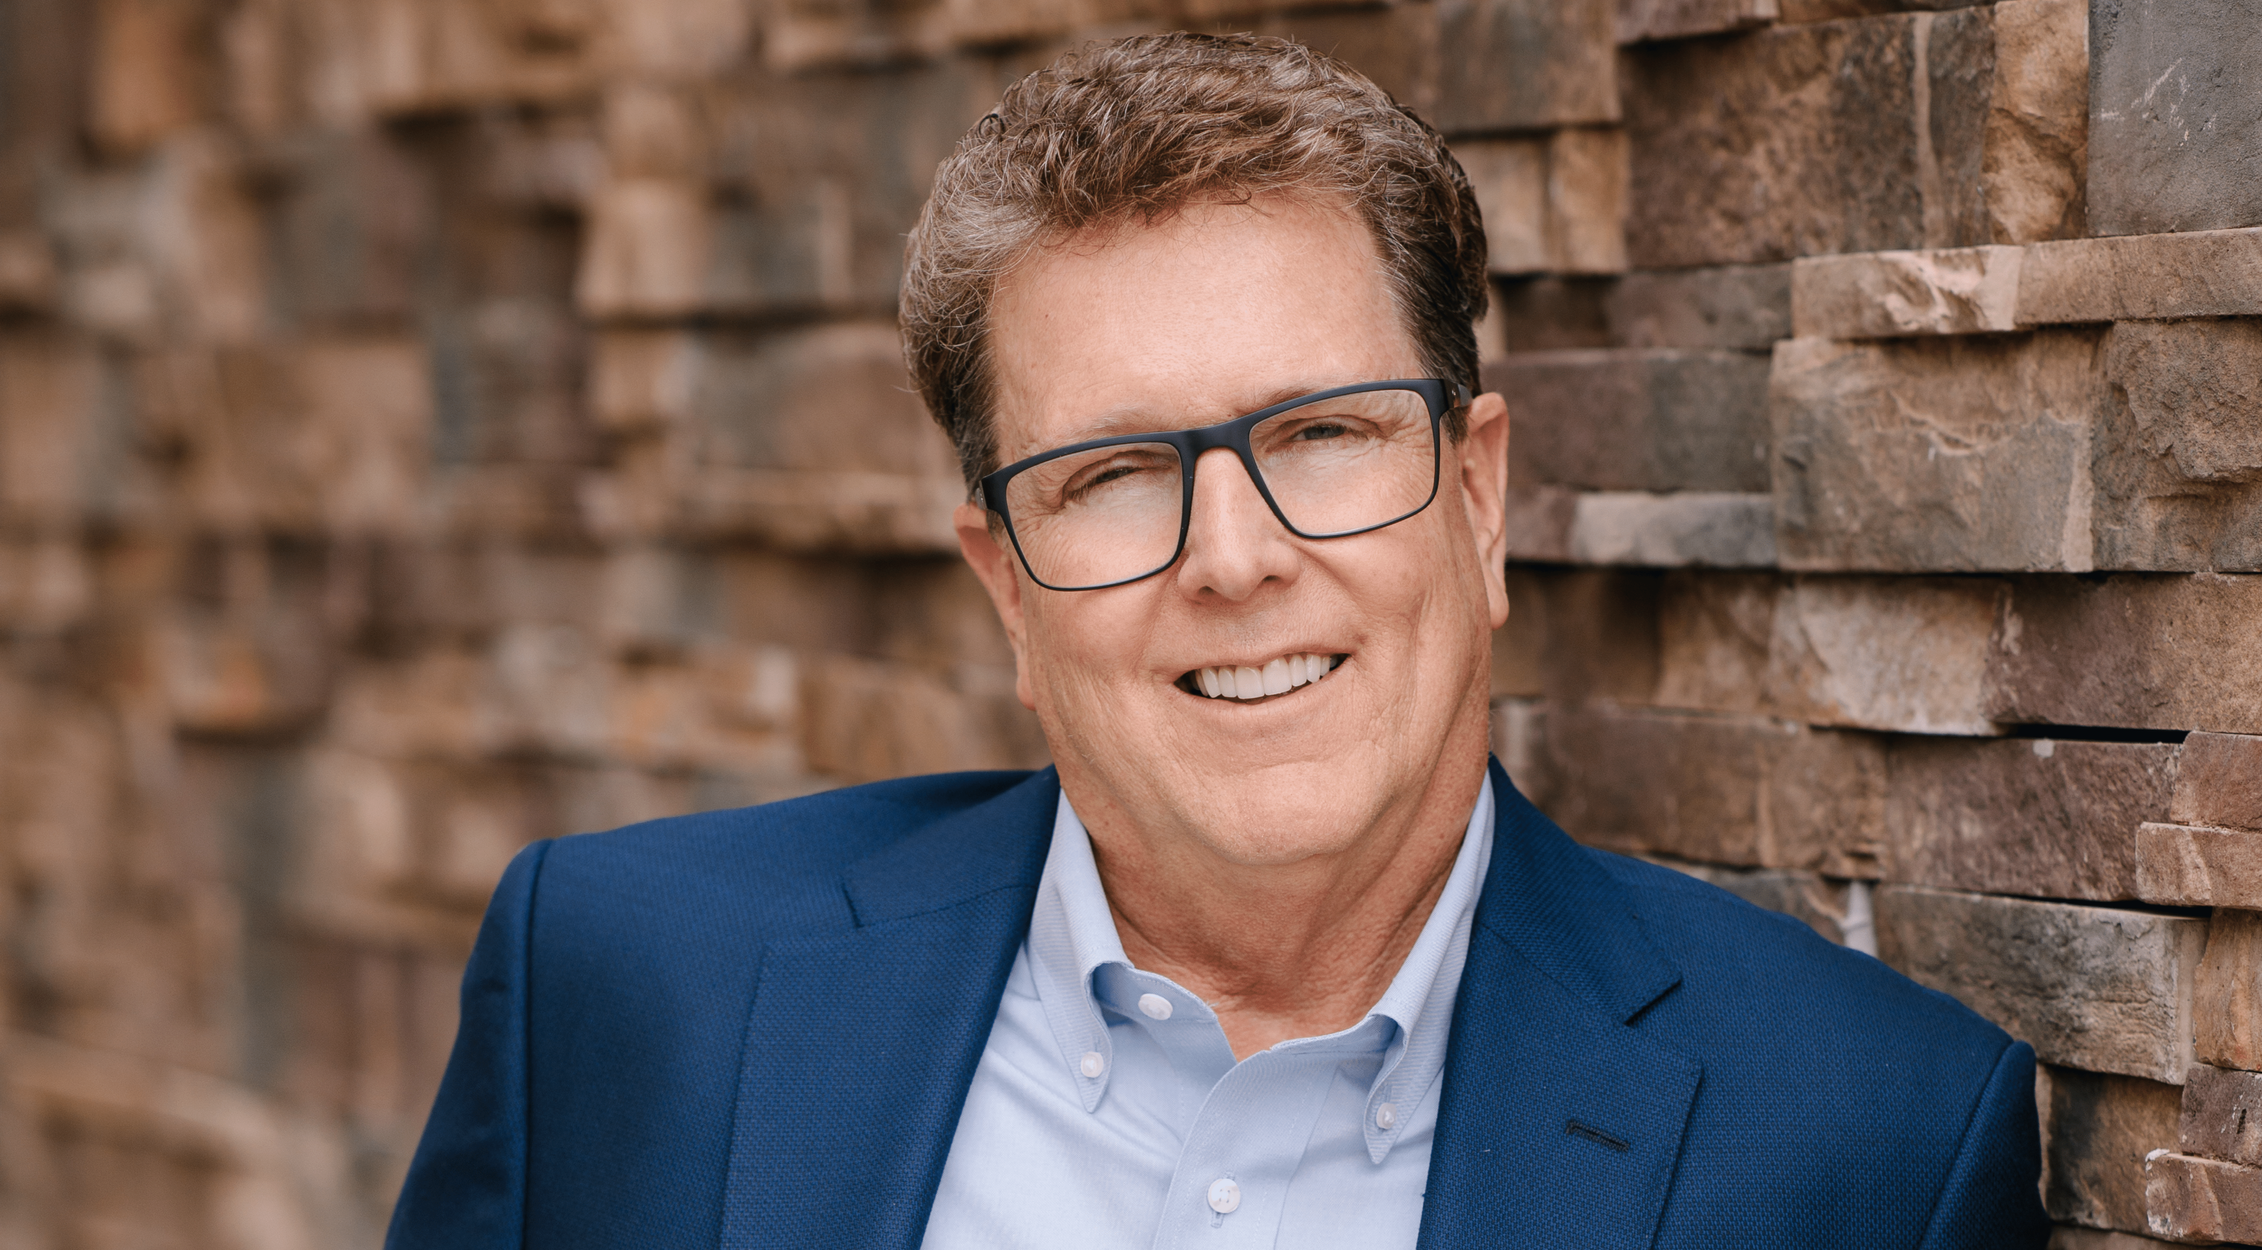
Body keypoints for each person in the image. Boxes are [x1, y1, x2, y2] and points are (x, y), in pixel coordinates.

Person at [386, 33, 2048, 1250]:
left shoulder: (1866, 1147)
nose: (1236, 560)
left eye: (1324, 434)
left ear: (1477, 503)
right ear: (1007, 590)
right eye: (1113, 475)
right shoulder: (621, 987)